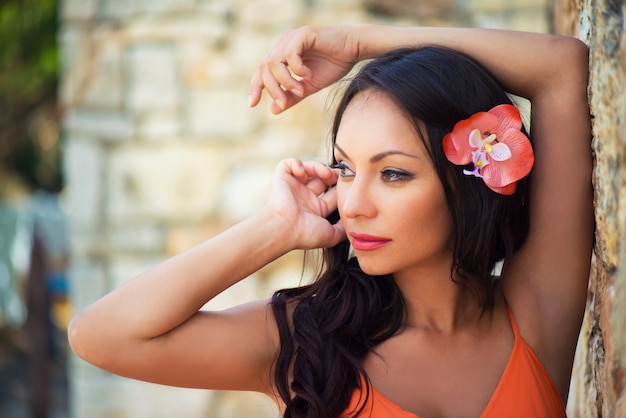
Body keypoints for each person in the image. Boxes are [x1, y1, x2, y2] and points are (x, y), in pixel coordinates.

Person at [68, 24, 593, 418]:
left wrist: (359, 43)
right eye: (344, 166)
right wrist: (276, 228)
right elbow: (100, 335)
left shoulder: (534, 313)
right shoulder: (309, 341)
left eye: (392, 174)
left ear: (467, 180)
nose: (354, 202)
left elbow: (562, 68)